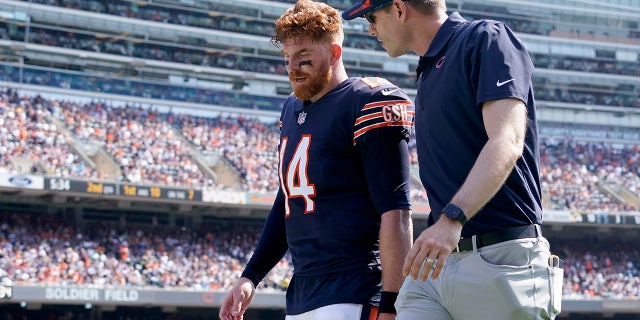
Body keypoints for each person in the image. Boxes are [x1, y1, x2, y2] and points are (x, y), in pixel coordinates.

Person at [343, 0, 562, 319]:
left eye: (372, 17)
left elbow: (508, 139)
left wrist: (452, 218)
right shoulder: (428, 69)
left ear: (400, 10)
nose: (371, 29)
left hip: (499, 258)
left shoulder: (486, 38)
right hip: (436, 267)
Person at [219, 1, 415, 319]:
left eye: (304, 58)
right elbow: (290, 199)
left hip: (356, 288)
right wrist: (251, 275)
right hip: (302, 294)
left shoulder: (367, 101)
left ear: (334, 54)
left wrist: (393, 304)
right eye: (287, 58)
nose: (293, 68)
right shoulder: (291, 109)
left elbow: (396, 211)